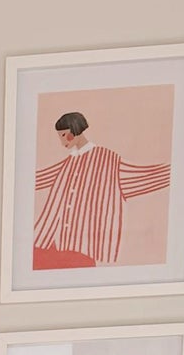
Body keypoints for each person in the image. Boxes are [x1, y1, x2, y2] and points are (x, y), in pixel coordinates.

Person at [32, 110, 169, 270]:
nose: (62, 143)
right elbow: (37, 179)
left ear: (75, 129)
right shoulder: (67, 163)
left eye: (64, 136)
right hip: (50, 240)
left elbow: (145, 177)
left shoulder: (109, 161)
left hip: (82, 247)